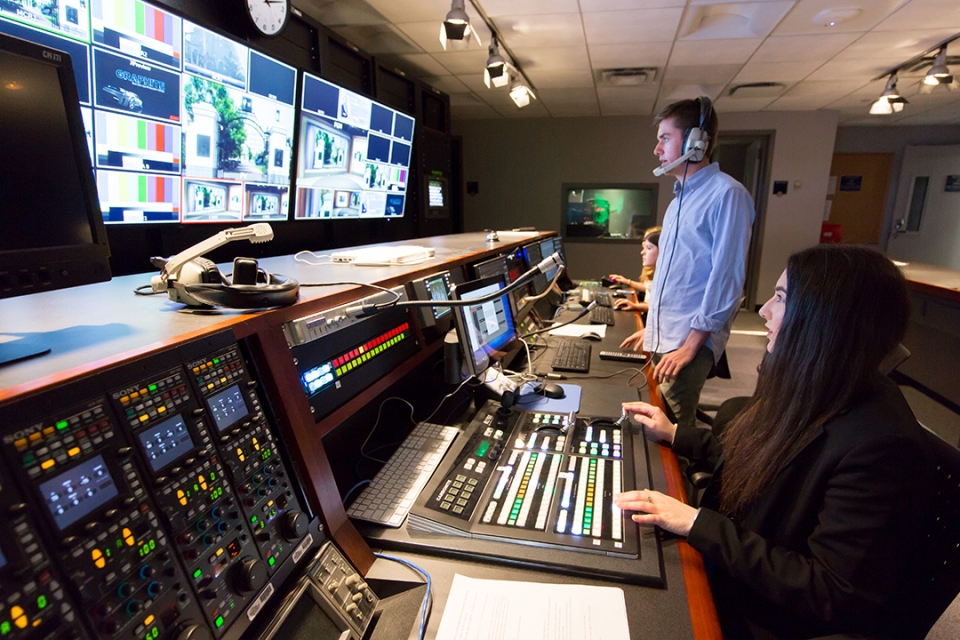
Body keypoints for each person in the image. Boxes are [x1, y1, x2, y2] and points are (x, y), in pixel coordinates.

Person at [614, 245, 935, 639]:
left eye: (781, 298)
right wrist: (676, 433)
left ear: (825, 319)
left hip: (764, 613)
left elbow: (831, 590)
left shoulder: (882, 445)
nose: (764, 309)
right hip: (736, 561)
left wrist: (695, 522)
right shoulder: (817, 383)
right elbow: (763, 465)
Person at [619, 98, 754, 431]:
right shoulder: (680, 199)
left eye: (665, 137)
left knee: (671, 434)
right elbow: (676, 277)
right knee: (654, 415)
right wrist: (652, 331)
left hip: (687, 345)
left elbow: (726, 279)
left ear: (696, 141)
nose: (656, 148)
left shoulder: (727, 195)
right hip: (666, 338)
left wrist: (689, 347)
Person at [609, 226, 660, 314]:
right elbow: (647, 287)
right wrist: (627, 281)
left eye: (648, 247)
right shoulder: (653, 269)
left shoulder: (666, 277)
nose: (642, 252)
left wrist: (636, 306)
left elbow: (660, 306)